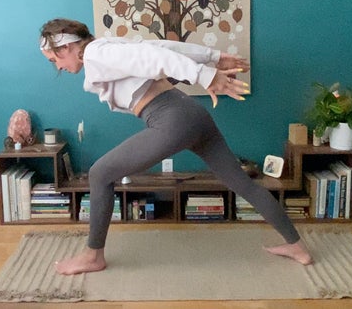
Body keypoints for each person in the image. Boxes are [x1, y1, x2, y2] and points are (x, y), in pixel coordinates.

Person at [39, 18, 313, 275]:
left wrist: (206, 75)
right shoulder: (109, 46)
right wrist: (212, 57)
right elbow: (162, 47)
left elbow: (157, 57)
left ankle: (92, 256)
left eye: (55, 60)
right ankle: (297, 246)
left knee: (99, 174)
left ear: (68, 46)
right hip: (192, 113)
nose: (58, 68)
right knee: (244, 183)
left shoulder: (96, 53)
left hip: (172, 120)